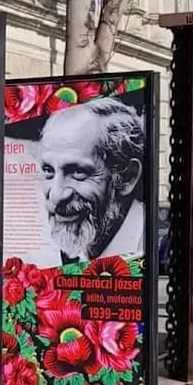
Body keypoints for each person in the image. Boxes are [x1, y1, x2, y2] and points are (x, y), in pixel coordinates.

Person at [37, 96, 144, 264]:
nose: (56, 196)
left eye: (78, 172)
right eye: (49, 171)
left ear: (126, 177)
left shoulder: (152, 249)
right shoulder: (52, 249)